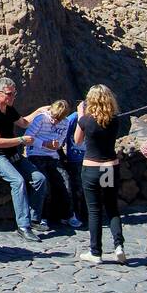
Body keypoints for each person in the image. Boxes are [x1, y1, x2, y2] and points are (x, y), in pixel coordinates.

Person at [0, 78, 47, 242]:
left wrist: (39, 111)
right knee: (18, 181)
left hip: (12, 153)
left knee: (39, 178)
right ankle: (23, 226)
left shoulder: (9, 109)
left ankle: (33, 219)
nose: (12, 97)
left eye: (14, 94)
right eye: (9, 94)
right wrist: (22, 140)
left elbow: (23, 122)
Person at [74, 85, 126, 265]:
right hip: (110, 167)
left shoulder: (86, 120)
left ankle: (95, 252)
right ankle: (119, 246)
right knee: (112, 208)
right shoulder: (115, 120)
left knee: (94, 211)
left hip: (92, 169)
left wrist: (80, 115)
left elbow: (77, 141)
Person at [24, 100, 76, 228]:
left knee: (66, 182)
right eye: (53, 118)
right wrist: (44, 144)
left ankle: (68, 215)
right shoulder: (41, 119)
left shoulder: (65, 123)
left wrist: (55, 145)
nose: (54, 121)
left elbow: (60, 140)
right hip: (36, 154)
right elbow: (27, 138)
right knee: (45, 183)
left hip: (52, 156)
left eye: (58, 119)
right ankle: (42, 217)